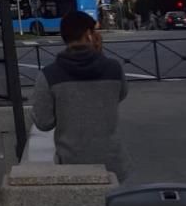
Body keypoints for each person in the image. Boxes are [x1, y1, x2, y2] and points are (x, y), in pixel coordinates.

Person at [31, 11, 129, 180]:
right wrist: (99, 55)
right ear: (88, 34)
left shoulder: (49, 75)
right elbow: (120, 95)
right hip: (112, 164)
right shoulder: (114, 68)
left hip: (71, 165)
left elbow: (43, 123)